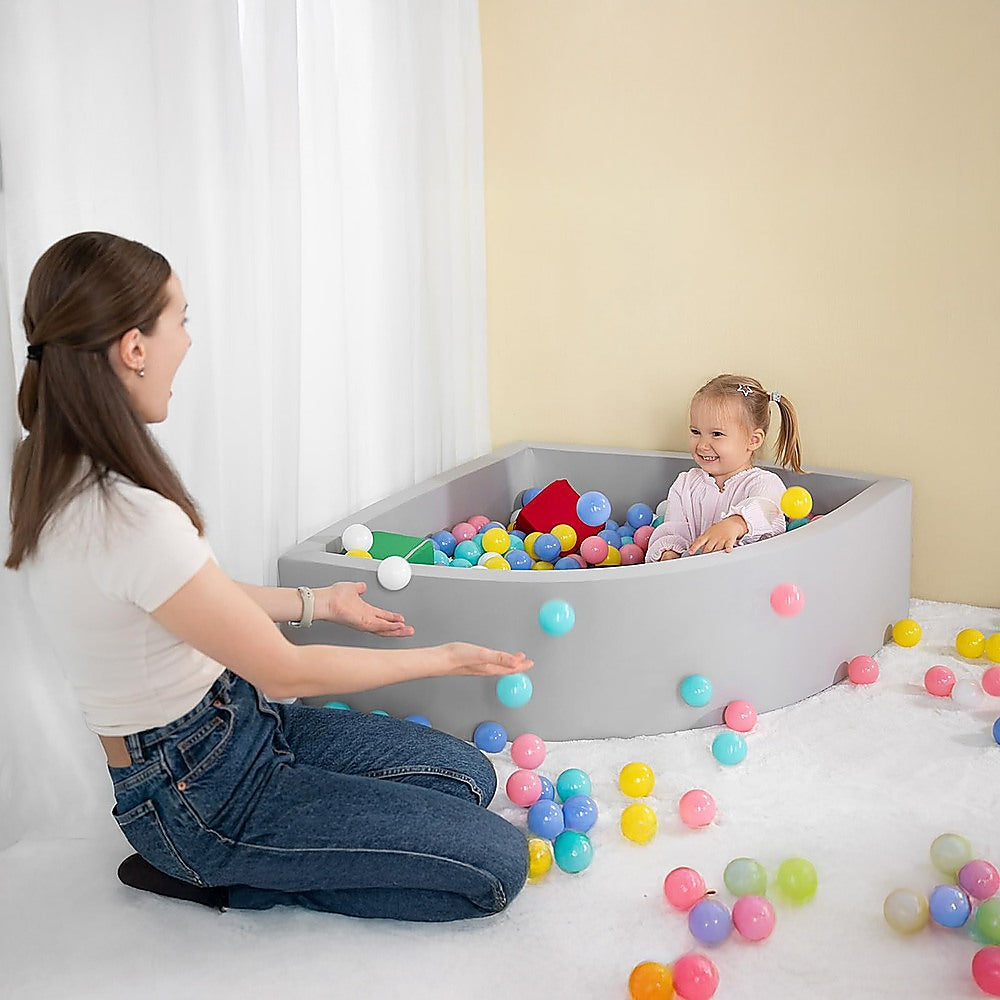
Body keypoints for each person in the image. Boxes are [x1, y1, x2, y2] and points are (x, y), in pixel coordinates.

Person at [6, 231, 534, 922]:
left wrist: (321, 601)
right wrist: (441, 658)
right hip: (201, 795)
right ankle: (230, 875)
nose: (188, 343)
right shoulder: (124, 512)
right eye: (181, 321)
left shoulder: (50, 464)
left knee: (465, 777)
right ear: (134, 348)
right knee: (496, 871)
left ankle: (268, 845)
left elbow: (189, 600)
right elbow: (285, 673)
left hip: (239, 725)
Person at [644, 374, 804, 563]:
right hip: (691, 578)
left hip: (742, 577)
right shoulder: (685, 484)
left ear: (753, 440)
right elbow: (672, 528)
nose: (703, 444)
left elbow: (767, 509)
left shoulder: (763, 482)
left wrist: (737, 522)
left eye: (717, 434)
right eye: (696, 432)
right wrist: (669, 554)